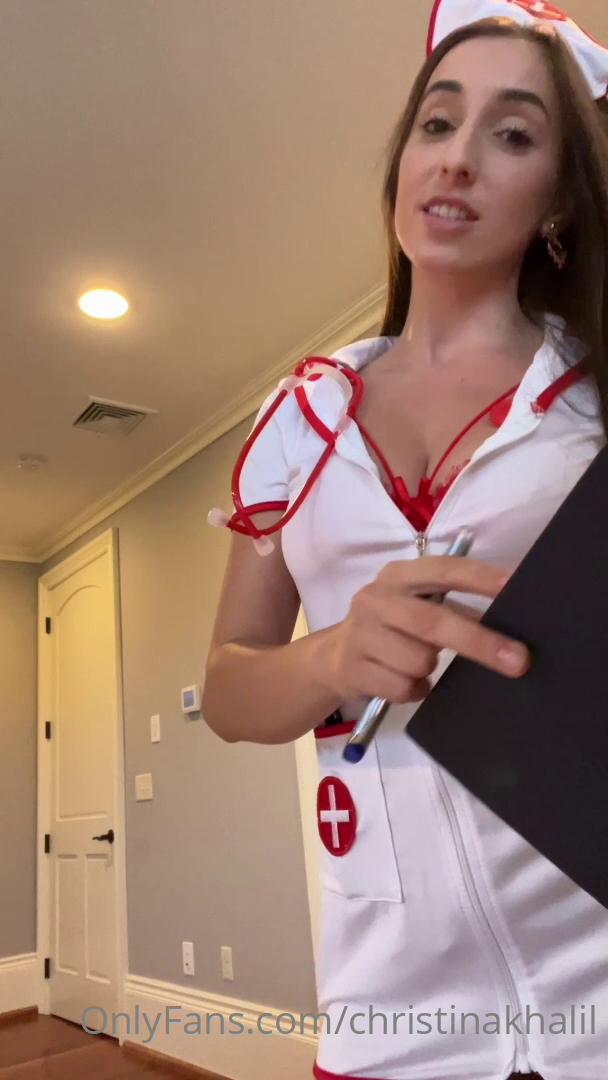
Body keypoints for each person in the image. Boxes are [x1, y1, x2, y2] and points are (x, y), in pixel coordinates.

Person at [203, 2, 608, 1077]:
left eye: (511, 134)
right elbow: (230, 689)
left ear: (559, 198)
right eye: (437, 122)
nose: (458, 158)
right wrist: (334, 656)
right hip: (392, 1013)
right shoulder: (296, 420)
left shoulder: (593, 400)